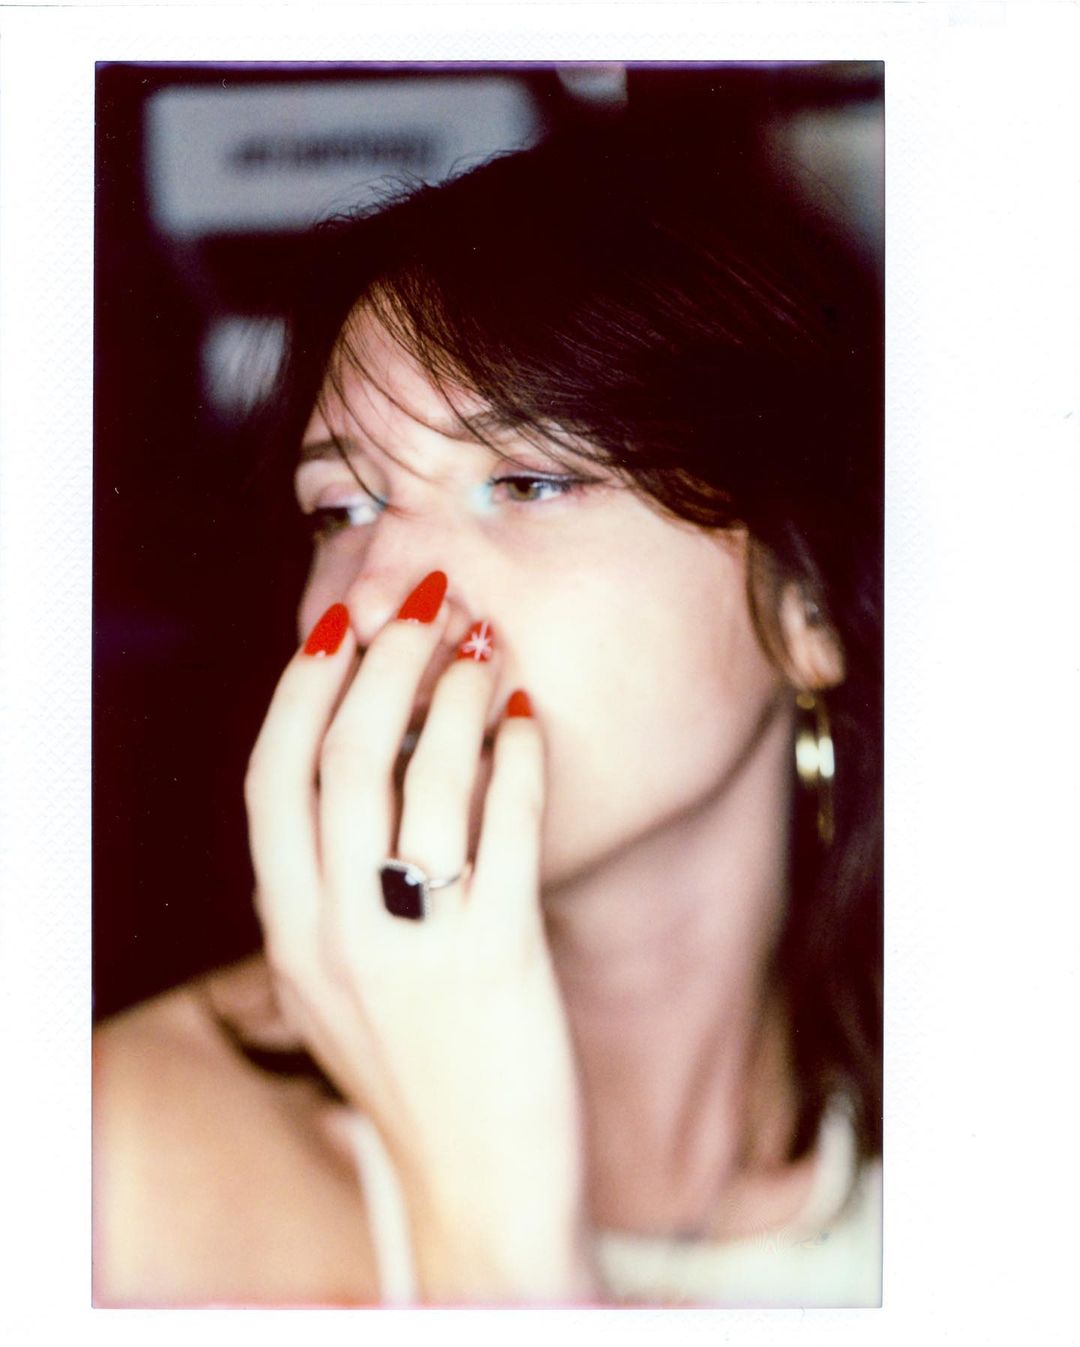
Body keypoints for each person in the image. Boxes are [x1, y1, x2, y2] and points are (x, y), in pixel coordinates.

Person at [92, 119, 882, 1307]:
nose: (379, 599)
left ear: (808, 606)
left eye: (531, 481)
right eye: (341, 509)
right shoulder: (115, 1178)